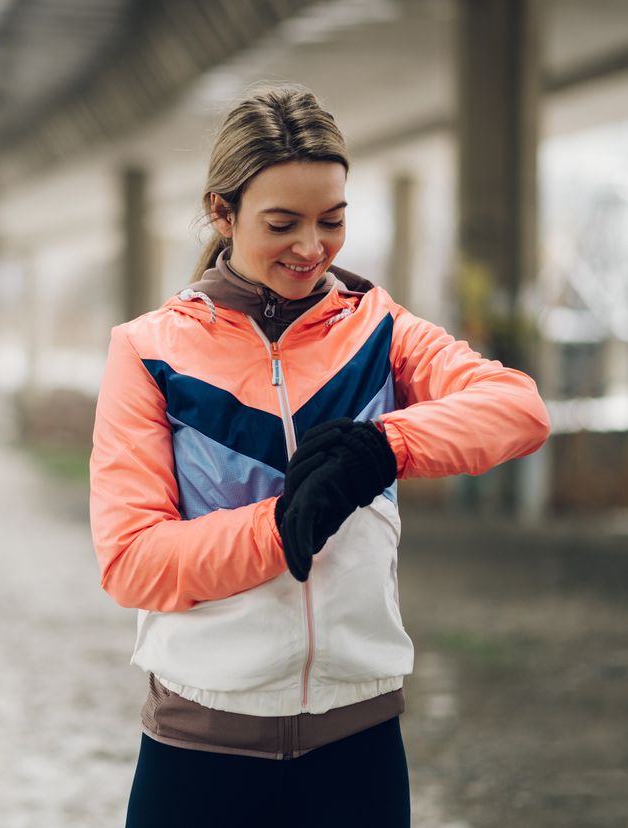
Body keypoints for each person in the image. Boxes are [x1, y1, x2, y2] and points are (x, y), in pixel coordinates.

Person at [89, 85, 551, 827]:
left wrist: (382, 446)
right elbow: (132, 560)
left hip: (358, 743)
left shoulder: (379, 330)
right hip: (200, 749)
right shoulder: (148, 352)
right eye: (283, 223)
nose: (311, 247)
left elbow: (519, 410)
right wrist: (283, 528)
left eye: (332, 221)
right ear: (222, 212)